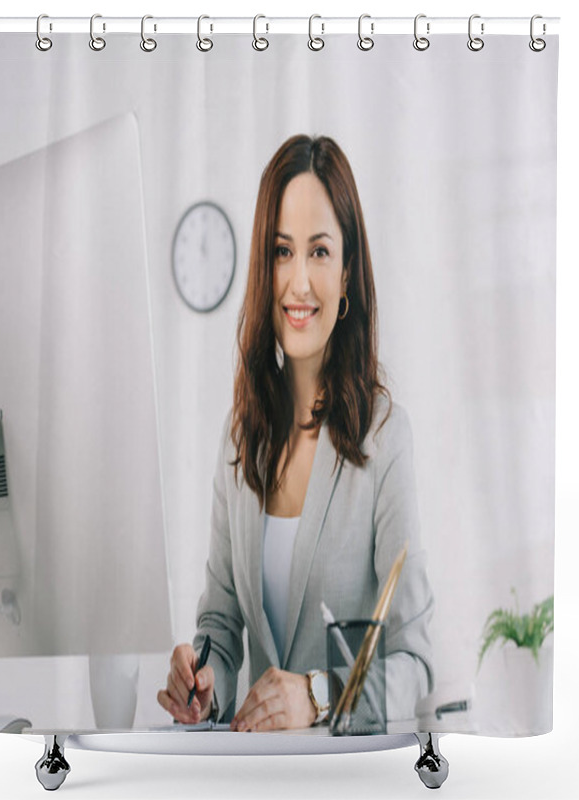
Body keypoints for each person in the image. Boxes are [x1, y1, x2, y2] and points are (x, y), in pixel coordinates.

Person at [158, 134, 434, 732]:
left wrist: (319, 693)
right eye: (283, 252)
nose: (300, 283)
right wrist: (203, 681)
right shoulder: (240, 438)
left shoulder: (385, 438)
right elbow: (222, 629)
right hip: (257, 777)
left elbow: (414, 661)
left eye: (319, 252)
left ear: (348, 272)